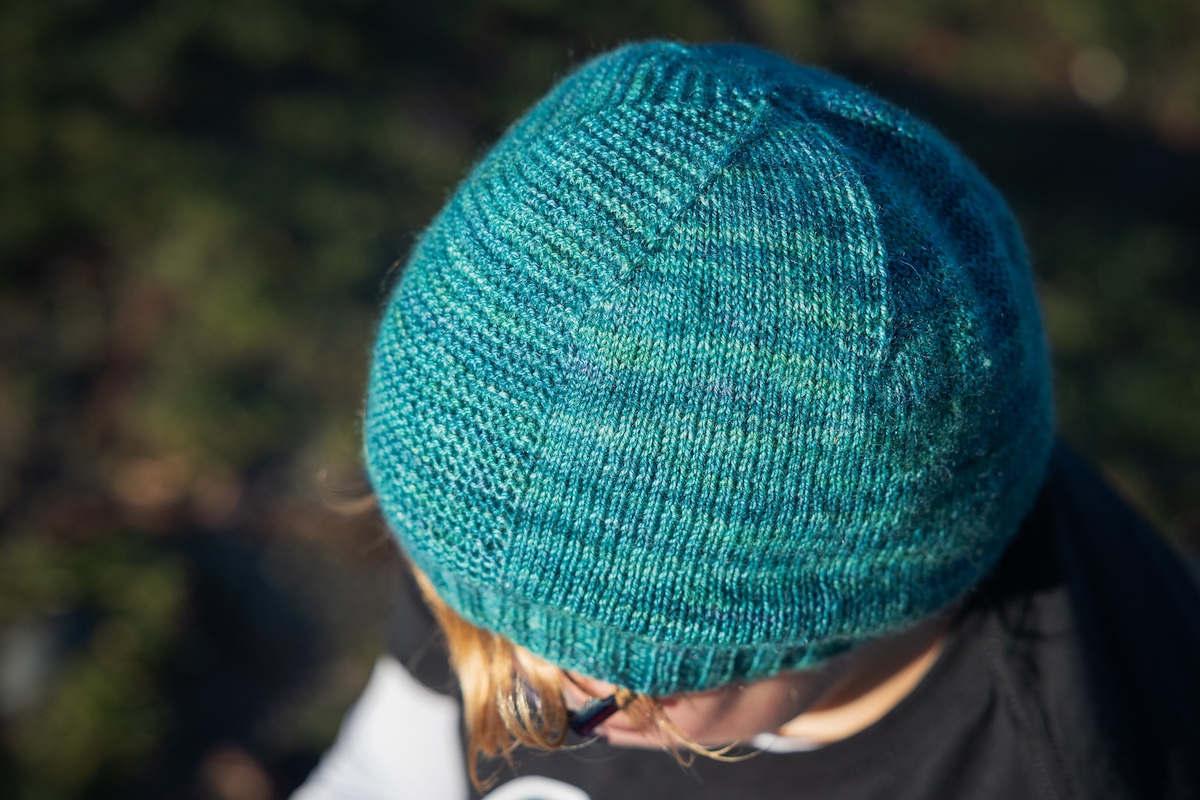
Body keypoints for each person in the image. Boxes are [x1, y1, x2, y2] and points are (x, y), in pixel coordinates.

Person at [293, 42, 1200, 799]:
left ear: (838, 605)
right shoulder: (503, 523)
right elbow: (394, 766)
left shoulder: (1051, 767)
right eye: (457, 606)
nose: (518, 692)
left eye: (602, 690)